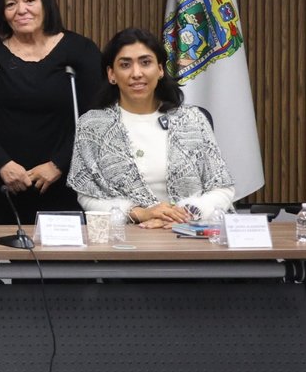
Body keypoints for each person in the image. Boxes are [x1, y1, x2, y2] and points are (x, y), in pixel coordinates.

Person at [0, 0, 101, 224]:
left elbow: (95, 117)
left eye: (30, 0)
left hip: (66, 176)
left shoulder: (80, 49)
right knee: (14, 242)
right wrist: (2, 164)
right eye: (10, 4)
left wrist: (58, 165)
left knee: (66, 245)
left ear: (45, 3)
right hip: (9, 179)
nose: (21, 10)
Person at [69, 27, 234, 227]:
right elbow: (87, 195)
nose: (136, 73)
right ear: (111, 74)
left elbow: (223, 188)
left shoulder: (193, 120)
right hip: (125, 237)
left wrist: (183, 216)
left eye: (145, 62)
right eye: (125, 65)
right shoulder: (92, 126)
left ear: (160, 69)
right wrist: (140, 213)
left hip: (189, 233)